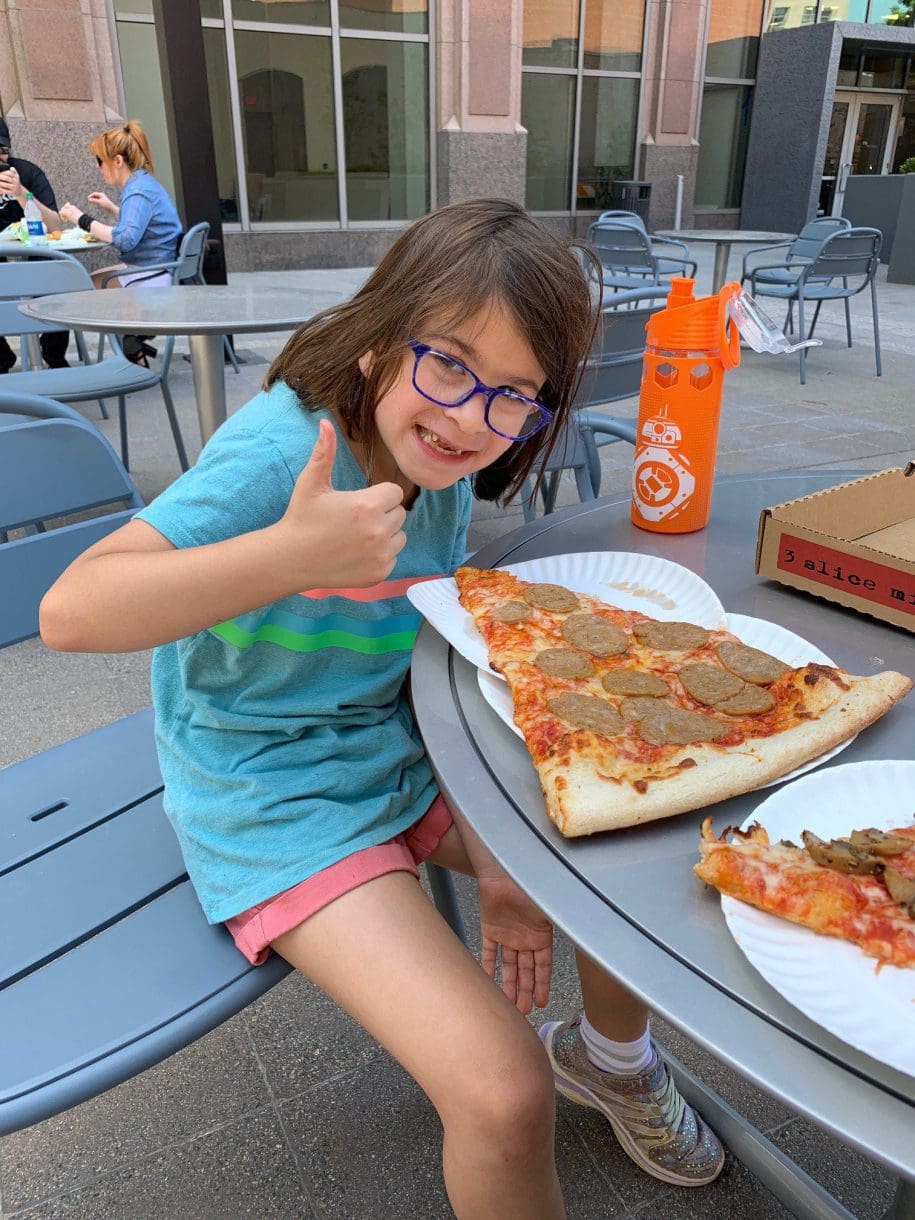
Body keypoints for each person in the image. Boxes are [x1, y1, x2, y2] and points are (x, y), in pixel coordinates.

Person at [39, 199, 724, 1216]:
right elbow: (71, 609)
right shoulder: (288, 452)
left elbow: (422, 664)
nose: (467, 418)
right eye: (447, 362)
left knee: (616, 857)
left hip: (403, 743)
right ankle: (562, 1064)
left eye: (514, 398)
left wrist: (500, 855)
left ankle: (613, 1055)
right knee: (501, 1094)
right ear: (377, 335)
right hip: (272, 795)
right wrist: (291, 551)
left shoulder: (443, 461)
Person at [59, 120, 182, 365]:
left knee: (81, 288)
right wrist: (112, 208)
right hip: (157, 267)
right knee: (89, 280)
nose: (99, 167)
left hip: (151, 276)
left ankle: (132, 341)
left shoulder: (138, 191)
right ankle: (132, 344)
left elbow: (125, 240)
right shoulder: (142, 184)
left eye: (100, 161)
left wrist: (80, 219)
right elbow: (141, 227)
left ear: (117, 161)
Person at [0, 116, 70, 372]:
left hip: (36, 259)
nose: (0, 158)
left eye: (4, 151)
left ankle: (54, 354)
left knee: (60, 275)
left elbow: (55, 225)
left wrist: (21, 194)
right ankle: (2, 357)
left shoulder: (27, 172)